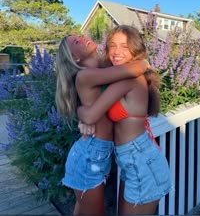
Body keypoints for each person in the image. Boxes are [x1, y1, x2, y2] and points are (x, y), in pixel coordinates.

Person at [77, 25, 172, 215]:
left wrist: (80, 113)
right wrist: (85, 121)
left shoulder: (128, 78)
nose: (117, 51)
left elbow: (90, 114)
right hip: (132, 158)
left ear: (135, 50)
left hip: (141, 160)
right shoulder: (123, 74)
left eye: (125, 46)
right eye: (112, 45)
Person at [55, 34, 148, 215]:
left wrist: (82, 114)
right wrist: (144, 64)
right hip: (90, 154)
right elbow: (134, 69)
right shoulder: (86, 74)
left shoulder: (102, 72)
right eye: (77, 42)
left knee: (83, 210)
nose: (83, 38)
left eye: (80, 36)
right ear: (75, 58)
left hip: (97, 153)